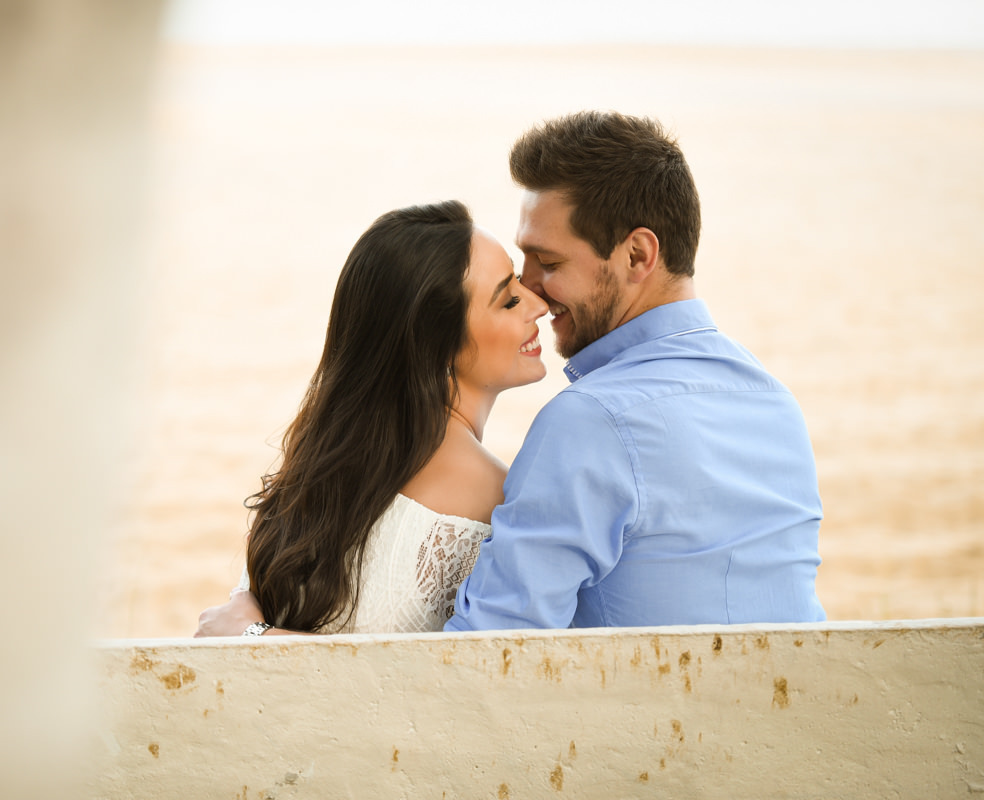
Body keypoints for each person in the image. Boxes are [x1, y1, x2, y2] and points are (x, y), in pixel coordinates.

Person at [445, 110, 826, 631]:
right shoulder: (775, 402)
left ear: (637, 254)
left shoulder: (592, 422)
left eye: (549, 263)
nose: (529, 288)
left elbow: (486, 649)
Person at [194, 200, 548, 636]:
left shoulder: (318, 467)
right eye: (509, 300)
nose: (539, 304)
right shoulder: (495, 498)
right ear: (435, 345)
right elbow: (418, 689)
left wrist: (252, 636)